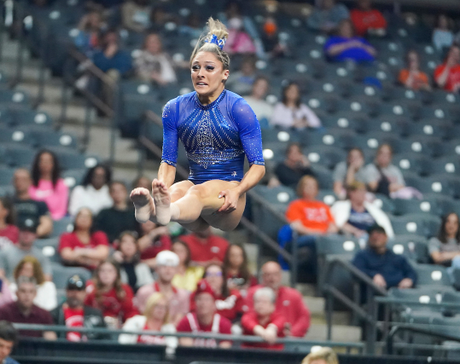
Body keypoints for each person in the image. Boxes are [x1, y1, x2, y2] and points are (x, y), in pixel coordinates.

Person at [130, 17, 265, 234]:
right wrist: (162, 186)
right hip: (194, 200)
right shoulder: (174, 108)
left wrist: (238, 190)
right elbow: (168, 161)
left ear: (224, 74)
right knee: (178, 189)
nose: (200, 73)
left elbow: (258, 165)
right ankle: (153, 211)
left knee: (197, 192)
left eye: (209, 68)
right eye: (195, 67)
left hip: (229, 197)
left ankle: (164, 212)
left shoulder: (239, 108)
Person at [283, 176, 337, 277]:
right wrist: (317, 233)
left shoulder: (323, 206)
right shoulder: (296, 205)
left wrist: (326, 233)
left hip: (323, 237)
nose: (310, 188)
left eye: (313, 186)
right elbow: (297, 226)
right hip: (303, 238)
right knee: (316, 241)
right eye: (307, 186)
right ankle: (319, 277)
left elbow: (333, 226)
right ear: (301, 188)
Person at [246, 262, 310, 337]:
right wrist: (259, 330)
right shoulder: (252, 293)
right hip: (256, 341)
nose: (271, 278)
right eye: (268, 274)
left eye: (275, 274)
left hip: (288, 342)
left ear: (280, 275)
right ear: (262, 276)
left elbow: (304, 318)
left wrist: (291, 334)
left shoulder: (294, 295)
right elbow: (247, 316)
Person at [352, 225, 417, 289]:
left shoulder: (396, 257)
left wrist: (409, 279)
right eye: (372, 235)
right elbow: (357, 272)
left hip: (399, 291)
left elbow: (411, 272)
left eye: (379, 234)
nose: (376, 237)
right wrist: (373, 275)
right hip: (374, 293)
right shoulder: (362, 256)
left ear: (386, 237)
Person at [135, 250, 190, 325]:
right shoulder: (144, 292)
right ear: (157, 269)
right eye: (164, 266)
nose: (168, 270)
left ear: (177, 270)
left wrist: (168, 331)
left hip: (172, 333)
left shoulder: (182, 295)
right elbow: (141, 316)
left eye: (172, 267)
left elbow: (179, 320)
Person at [0, 216, 52, 282]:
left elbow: (47, 278)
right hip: (9, 288)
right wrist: (9, 288)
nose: (26, 234)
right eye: (24, 231)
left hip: (33, 290)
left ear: (36, 235)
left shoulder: (41, 257)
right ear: (19, 232)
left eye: (30, 232)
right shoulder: (4, 252)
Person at [51, 275, 109, 341]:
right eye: (72, 289)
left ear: (85, 292)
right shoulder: (54, 314)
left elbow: (105, 339)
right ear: (66, 291)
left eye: (79, 290)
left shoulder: (96, 314)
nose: (75, 293)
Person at [177, 279, 232, 348]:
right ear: (195, 302)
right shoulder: (186, 322)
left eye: (207, 299)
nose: (203, 303)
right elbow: (188, 351)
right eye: (199, 299)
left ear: (214, 303)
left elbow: (224, 352)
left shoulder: (224, 324)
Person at [84, 259, 138, 328]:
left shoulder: (125, 290)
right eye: (102, 271)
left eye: (110, 271)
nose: (106, 274)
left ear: (116, 273)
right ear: (98, 273)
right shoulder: (90, 288)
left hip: (117, 328)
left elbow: (131, 312)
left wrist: (127, 325)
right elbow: (84, 309)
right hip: (94, 326)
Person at [92, 29, 133, 109]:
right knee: (112, 74)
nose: (111, 40)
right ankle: (112, 108)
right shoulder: (98, 53)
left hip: (122, 80)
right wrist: (107, 55)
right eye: (109, 38)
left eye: (113, 38)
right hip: (102, 82)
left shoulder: (123, 54)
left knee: (114, 73)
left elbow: (125, 68)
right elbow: (99, 68)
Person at [29, 150, 69, 220]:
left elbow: (62, 210)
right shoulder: (30, 183)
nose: (45, 163)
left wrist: (50, 218)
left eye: (48, 161)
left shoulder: (61, 184)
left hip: (54, 221)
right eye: (42, 161)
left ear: (53, 164)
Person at [429, 213, 460, 279]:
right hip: (444, 272)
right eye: (448, 222)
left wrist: (447, 255)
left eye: (455, 223)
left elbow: (443, 256)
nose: (451, 225)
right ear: (444, 224)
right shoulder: (435, 241)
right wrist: (457, 254)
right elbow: (437, 258)